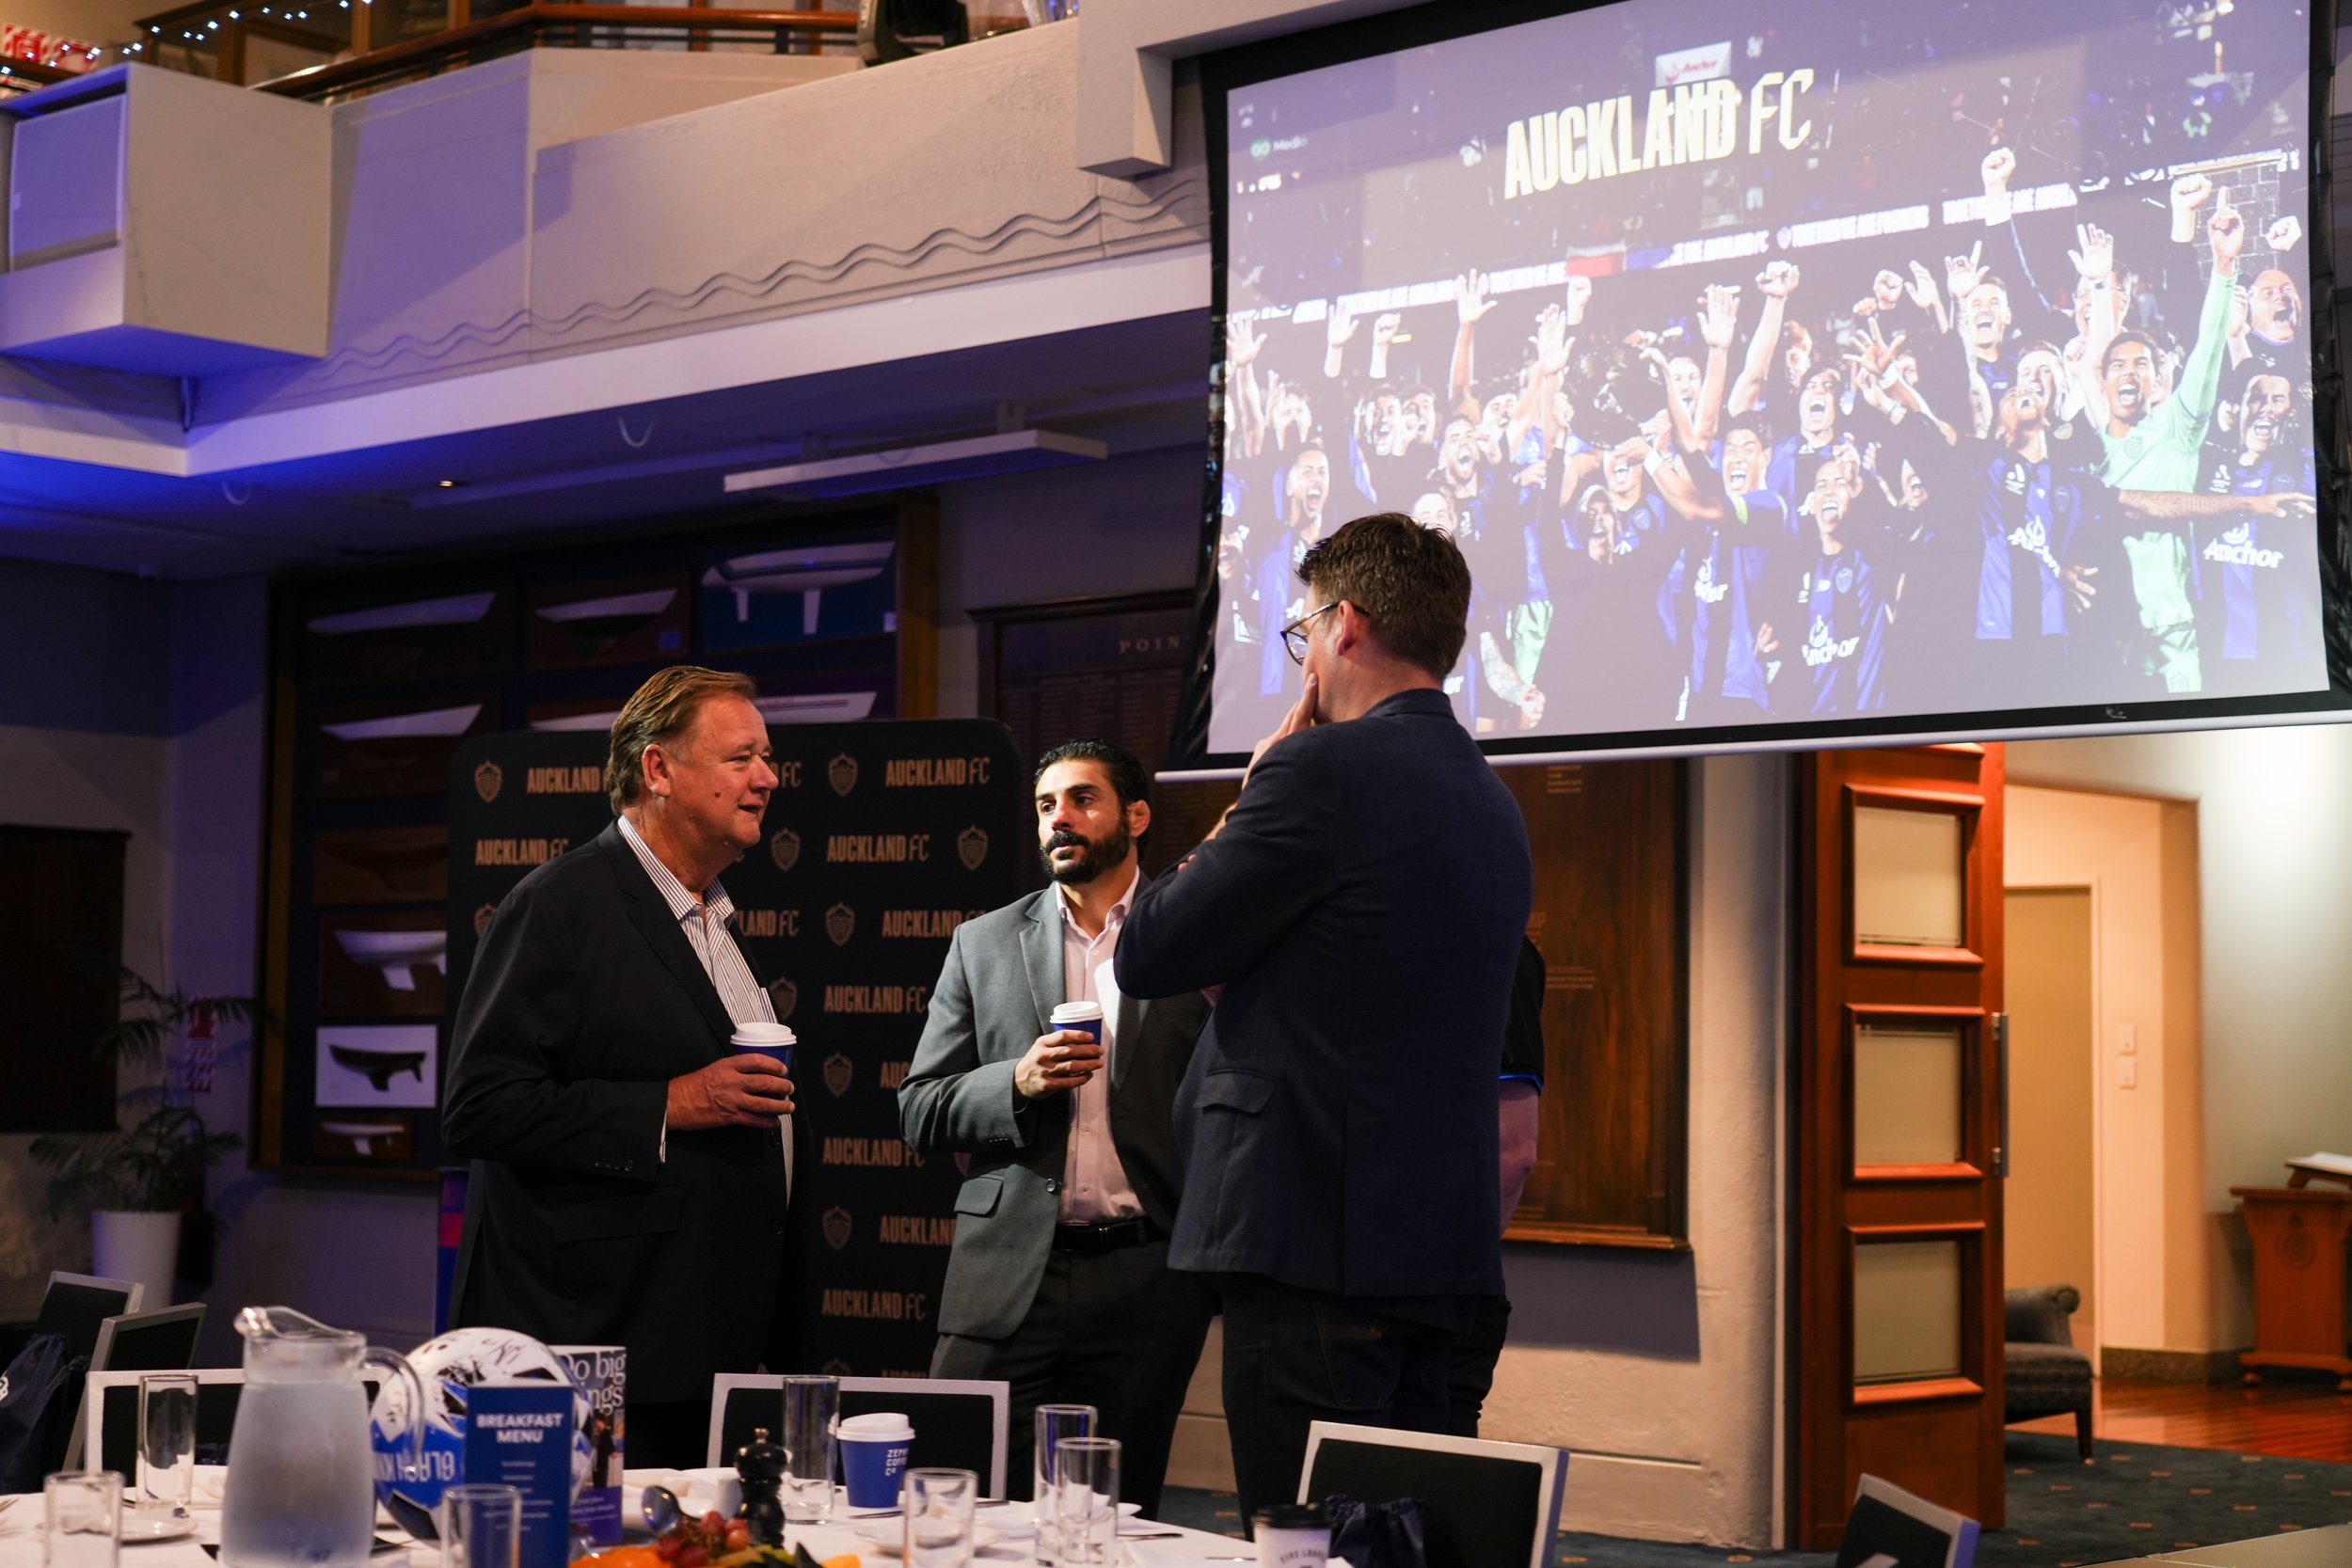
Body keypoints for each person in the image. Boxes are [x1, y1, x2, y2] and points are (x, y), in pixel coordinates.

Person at [1116, 512, 1534, 1526]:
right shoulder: (1492, 802)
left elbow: (1150, 950)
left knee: (1304, 1539)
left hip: (1310, 1240)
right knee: (1400, 1540)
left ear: (1345, 624)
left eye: (1302, 631)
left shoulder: (1318, 771)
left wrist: (1249, 791)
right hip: (1433, 1244)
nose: (1302, 655)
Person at [443, 666, 794, 1469]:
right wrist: (668, 1103)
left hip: (702, 1344)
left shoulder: (713, 918)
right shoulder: (560, 904)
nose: (767, 777)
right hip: (599, 1355)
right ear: (658, 769)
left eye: (768, 757)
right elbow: (479, 1106)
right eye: (741, 757)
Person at [898, 740, 1214, 1519]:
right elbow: (919, 1107)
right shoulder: (984, 942)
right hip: (1008, 1273)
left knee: (1113, 1516)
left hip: (1147, 1277)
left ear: (1136, 816)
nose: (1059, 819)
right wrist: (1015, 1080)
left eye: (1082, 799)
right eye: (1046, 805)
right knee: (961, 1507)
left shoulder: (1197, 939)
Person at [1446, 936, 1547, 1437]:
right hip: (1425, 1279)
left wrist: (1462, 1266)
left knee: (1428, 1462)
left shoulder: (1491, 943)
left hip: (1445, 1283)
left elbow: (1513, 1153)